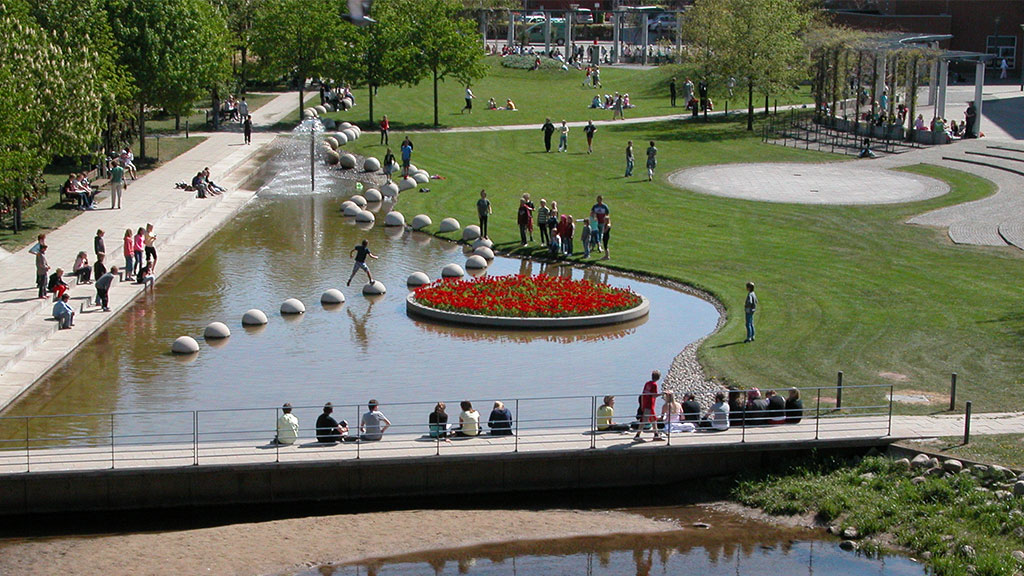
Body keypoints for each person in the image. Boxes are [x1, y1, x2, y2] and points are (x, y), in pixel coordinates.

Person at [634, 370, 663, 441]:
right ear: (658, 378)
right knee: (644, 420)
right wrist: (663, 393)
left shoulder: (647, 383)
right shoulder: (654, 385)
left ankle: (656, 435)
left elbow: (643, 394)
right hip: (650, 405)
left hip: (646, 404)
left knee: (653, 420)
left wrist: (642, 405)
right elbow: (654, 395)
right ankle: (637, 435)